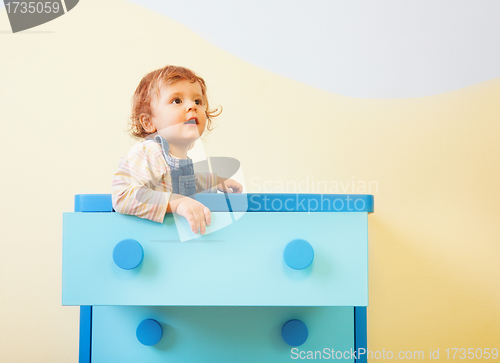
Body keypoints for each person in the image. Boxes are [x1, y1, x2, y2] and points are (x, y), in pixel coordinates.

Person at [111, 65, 242, 235]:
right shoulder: (150, 151)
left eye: (197, 101)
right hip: (148, 239)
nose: (192, 106)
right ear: (149, 122)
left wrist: (213, 181)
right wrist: (177, 202)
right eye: (177, 101)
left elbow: (182, 183)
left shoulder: (174, 158)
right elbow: (123, 195)